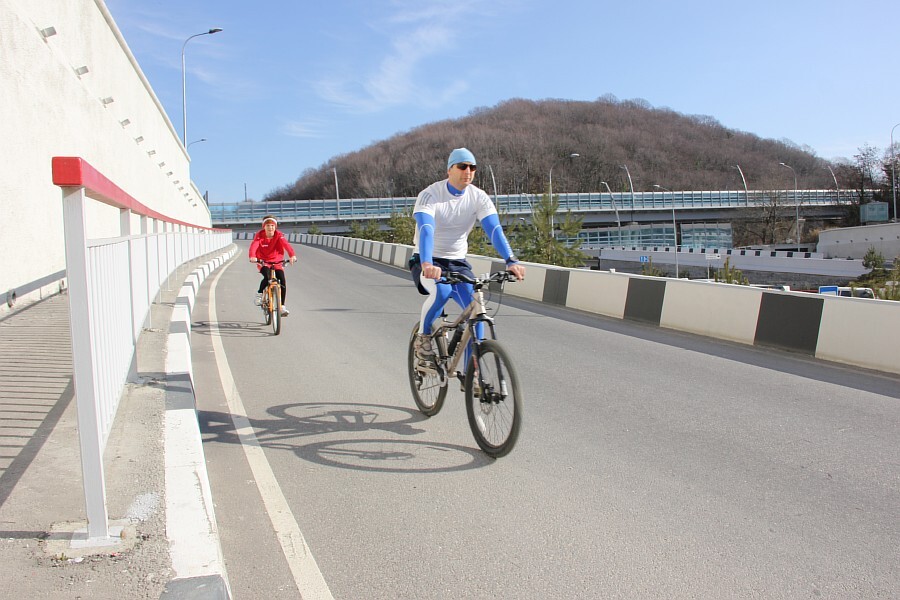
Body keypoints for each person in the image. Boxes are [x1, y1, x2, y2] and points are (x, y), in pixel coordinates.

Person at [411, 147, 525, 364]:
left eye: (473, 167)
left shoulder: (478, 197)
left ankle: (472, 371)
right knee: (442, 291)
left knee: (476, 307)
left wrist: (511, 260)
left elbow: (494, 229)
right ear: (449, 170)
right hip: (427, 260)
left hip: (458, 262)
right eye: (462, 166)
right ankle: (423, 337)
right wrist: (426, 262)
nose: (468, 171)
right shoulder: (430, 195)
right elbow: (426, 228)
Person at [249, 215, 297, 316]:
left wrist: (292, 255)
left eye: (272, 225)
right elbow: (254, 246)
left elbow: (286, 245)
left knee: (282, 280)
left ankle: (282, 306)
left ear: (275, 227)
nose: (270, 228)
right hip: (263, 261)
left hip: (277, 261)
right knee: (267, 277)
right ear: (264, 227)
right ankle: (259, 294)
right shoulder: (259, 235)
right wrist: (252, 256)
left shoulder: (279, 235)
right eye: (268, 225)